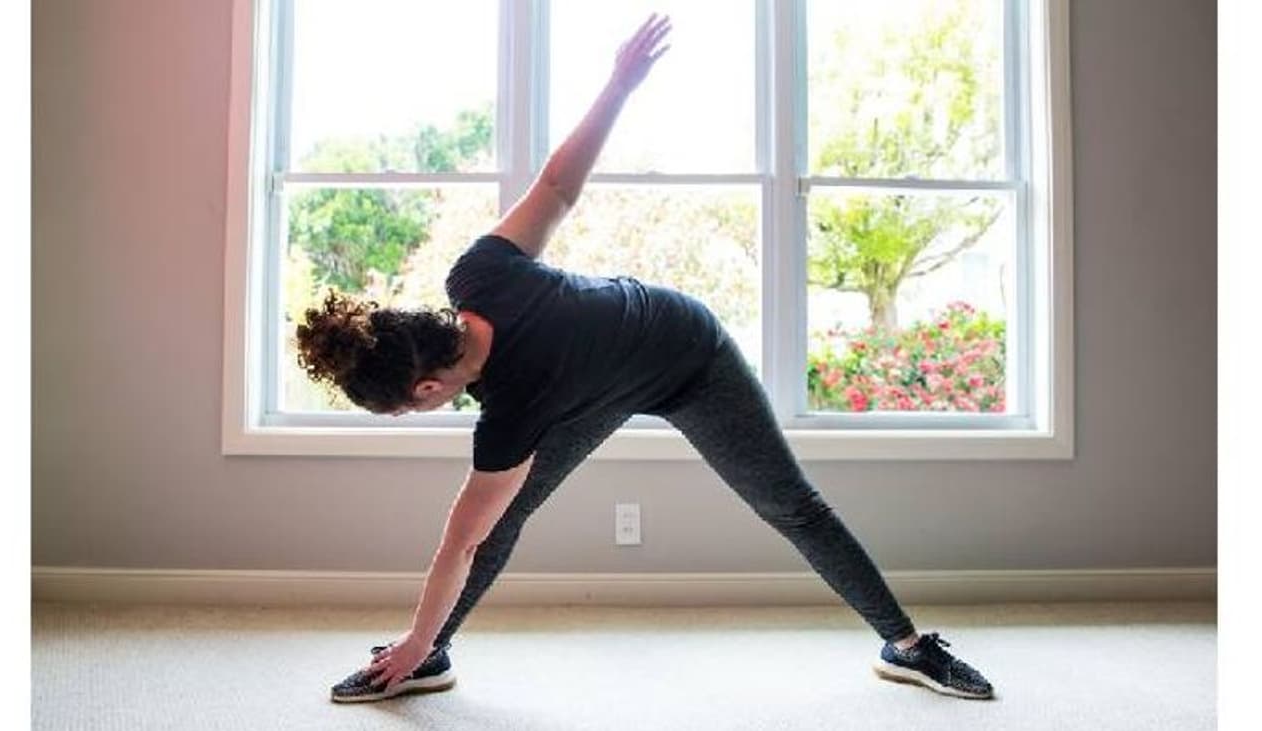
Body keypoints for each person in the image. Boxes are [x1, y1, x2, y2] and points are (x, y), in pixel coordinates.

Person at [296, 14, 994, 704]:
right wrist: (618, 84)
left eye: (406, 409)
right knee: (502, 517)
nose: (415, 414)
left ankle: (907, 646)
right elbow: (556, 189)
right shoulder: (476, 276)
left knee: (790, 504)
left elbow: (459, 540)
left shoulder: (510, 401)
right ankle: (429, 655)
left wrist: (618, 87)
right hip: (588, 388)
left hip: (690, 358)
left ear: (425, 386)